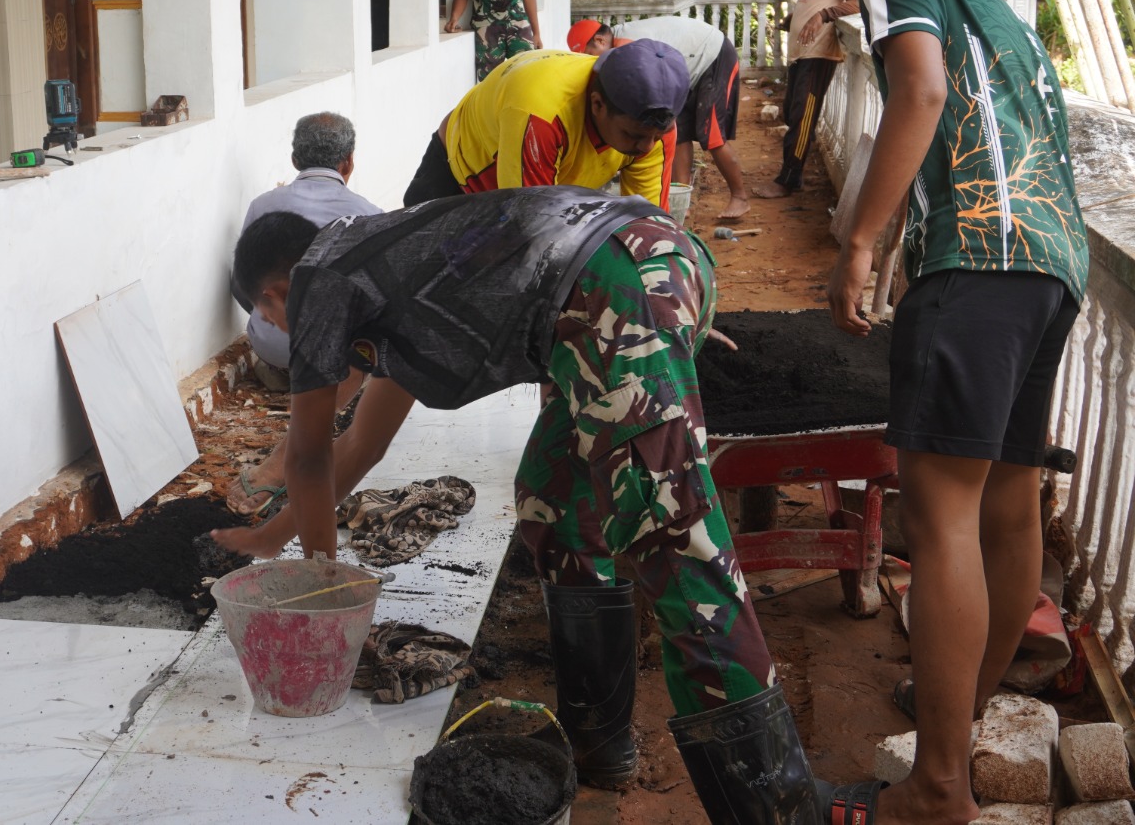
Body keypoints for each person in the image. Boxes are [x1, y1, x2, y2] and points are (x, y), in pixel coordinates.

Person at [216, 189, 848, 820]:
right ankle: (598, 742)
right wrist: (275, 538)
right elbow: (361, 446)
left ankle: (780, 808)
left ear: (273, 297)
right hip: (626, 275)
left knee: (676, 543)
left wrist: (322, 579)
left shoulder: (316, 280)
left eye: (274, 324)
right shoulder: (383, 274)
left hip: (615, 285)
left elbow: (307, 457)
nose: (289, 331)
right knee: (552, 499)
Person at [825, 0, 1088, 825]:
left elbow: (923, 94)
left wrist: (858, 244)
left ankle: (938, 788)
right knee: (1009, 508)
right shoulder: (1005, 13)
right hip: (1054, 268)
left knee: (940, 519)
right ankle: (958, 721)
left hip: (979, 260)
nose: (861, 4)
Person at [225, 112, 381, 515]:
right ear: (348, 161)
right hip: (334, 358)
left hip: (273, 344)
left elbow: (243, 282)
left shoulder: (263, 205)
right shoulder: (367, 212)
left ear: (295, 159)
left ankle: (283, 368)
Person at [400, 42, 684, 210]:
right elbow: (530, 224)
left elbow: (648, 218)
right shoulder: (541, 115)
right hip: (463, 171)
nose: (646, 147)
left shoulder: (655, 129)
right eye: (633, 136)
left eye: (656, 137)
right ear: (597, 104)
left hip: (550, 183)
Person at [569, 17, 750, 220]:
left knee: (712, 135)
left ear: (601, 41)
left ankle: (739, 197)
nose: (591, 65)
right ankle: (683, 200)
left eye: (589, 56)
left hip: (712, 55)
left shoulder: (629, 49)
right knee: (674, 131)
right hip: (681, 75)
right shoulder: (621, 50)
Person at [751, 0, 859, 200]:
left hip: (819, 56)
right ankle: (791, 176)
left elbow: (857, 2)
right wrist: (793, 19)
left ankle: (788, 179)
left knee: (802, 117)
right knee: (793, 112)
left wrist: (823, 15)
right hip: (802, 54)